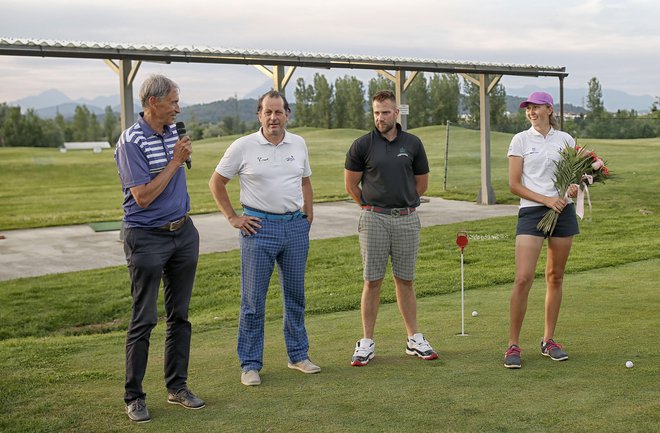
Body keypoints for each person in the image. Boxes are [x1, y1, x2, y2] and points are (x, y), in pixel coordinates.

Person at [209, 90, 320, 386]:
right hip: (258, 228)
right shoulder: (243, 146)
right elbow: (217, 182)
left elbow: (305, 181)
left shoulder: (298, 143)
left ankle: (298, 355)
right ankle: (250, 364)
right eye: (268, 112)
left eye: (279, 112)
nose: (274, 117)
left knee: (295, 297)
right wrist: (233, 217)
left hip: (295, 227)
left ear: (287, 114)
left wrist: (308, 215)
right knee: (253, 302)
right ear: (259, 114)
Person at [115, 74, 205, 422]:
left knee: (180, 315)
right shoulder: (131, 142)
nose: (177, 109)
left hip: (183, 232)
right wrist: (175, 161)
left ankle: (177, 387)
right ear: (153, 103)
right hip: (146, 236)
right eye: (172, 102)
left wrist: (177, 154)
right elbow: (143, 196)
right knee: (144, 318)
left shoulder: (172, 132)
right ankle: (134, 396)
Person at [344, 90, 438, 367]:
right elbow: (351, 186)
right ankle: (367, 342)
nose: (380, 117)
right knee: (372, 280)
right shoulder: (362, 145)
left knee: (405, 279)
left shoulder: (413, 143)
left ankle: (413, 339)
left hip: (407, 219)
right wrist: (371, 207)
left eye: (385, 112)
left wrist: (405, 203)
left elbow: (421, 184)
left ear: (397, 113)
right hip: (373, 219)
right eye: (376, 112)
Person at [504, 91, 579, 369]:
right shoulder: (520, 139)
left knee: (555, 276)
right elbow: (513, 184)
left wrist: (574, 186)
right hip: (532, 211)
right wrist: (546, 199)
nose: (531, 112)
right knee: (523, 277)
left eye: (536, 108)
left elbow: (574, 177)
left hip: (564, 212)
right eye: (528, 109)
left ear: (549, 109)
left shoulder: (566, 139)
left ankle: (549, 340)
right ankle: (513, 345)